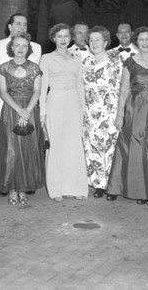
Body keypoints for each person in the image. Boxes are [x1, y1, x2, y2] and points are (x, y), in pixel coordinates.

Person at [107, 26, 148, 205]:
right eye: (141, 39)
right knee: (135, 146)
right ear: (137, 42)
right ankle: (139, 190)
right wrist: (119, 114)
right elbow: (124, 89)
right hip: (135, 108)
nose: (144, 43)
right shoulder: (129, 62)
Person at [0, 13, 42, 184]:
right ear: (9, 26)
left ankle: (27, 181)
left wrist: (28, 108)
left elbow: (35, 80)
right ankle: (6, 180)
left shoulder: (36, 47)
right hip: (3, 103)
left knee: (28, 145)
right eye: (18, 24)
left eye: (25, 24)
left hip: (28, 104)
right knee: (5, 145)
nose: (21, 27)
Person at [40, 23, 88, 201]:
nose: (63, 40)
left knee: (74, 144)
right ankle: (57, 188)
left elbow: (80, 84)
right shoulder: (46, 58)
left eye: (66, 36)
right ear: (54, 38)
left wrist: (83, 108)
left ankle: (76, 187)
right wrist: (42, 112)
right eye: (59, 36)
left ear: (71, 38)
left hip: (73, 102)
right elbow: (43, 87)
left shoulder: (77, 58)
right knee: (57, 144)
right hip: (55, 101)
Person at [0, 33, 45, 205]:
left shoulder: (34, 68)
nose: (20, 49)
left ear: (29, 48)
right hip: (11, 110)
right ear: (11, 47)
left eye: (24, 46)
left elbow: (37, 92)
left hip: (30, 109)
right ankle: (11, 187)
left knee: (28, 149)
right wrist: (19, 110)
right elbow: (3, 93)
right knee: (11, 150)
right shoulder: (4, 68)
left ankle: (23, 187)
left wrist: (27, 112)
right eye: (17, 45)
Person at [82, 26, 123, 198]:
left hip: (111, 111)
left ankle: (113, 185)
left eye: (98, 39)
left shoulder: (117, 60)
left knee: (112, 148)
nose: (95, 43)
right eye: (91, 40)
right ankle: (99, 185)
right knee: (93, 148)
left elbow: (124, 88)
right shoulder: (84, 62)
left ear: (106, 42)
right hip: (90, 113)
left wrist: (121, 113)